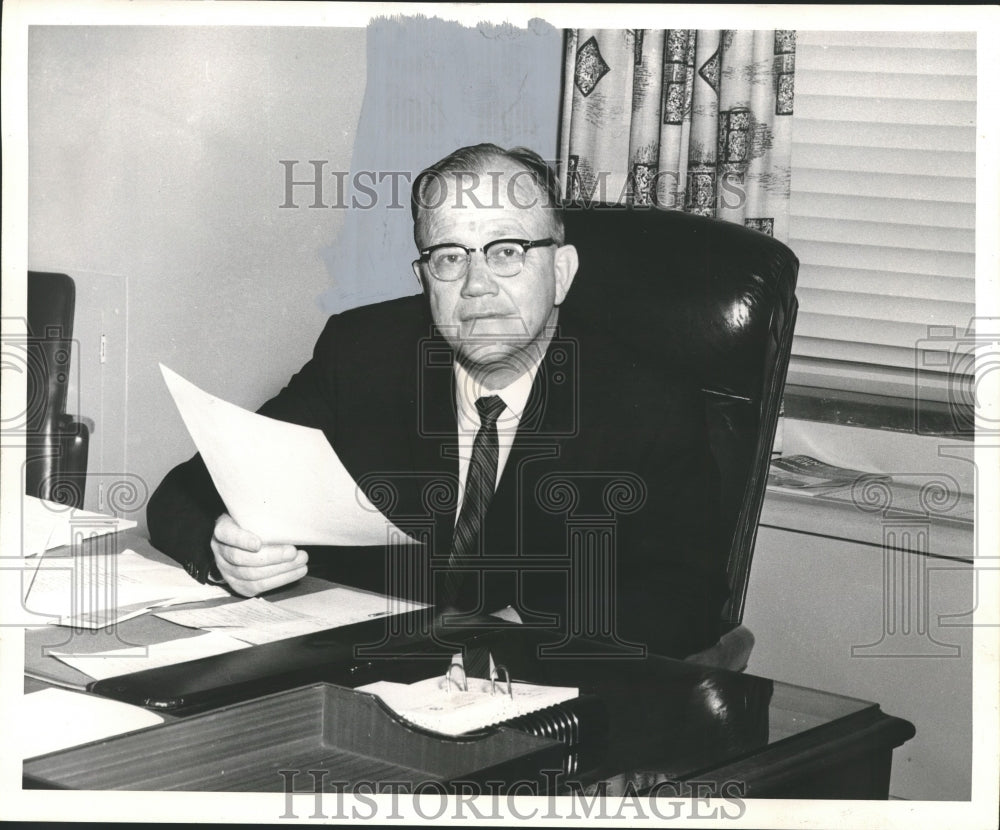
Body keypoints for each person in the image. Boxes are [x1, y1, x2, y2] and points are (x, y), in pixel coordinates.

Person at [147, 144, 728, 658]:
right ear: (425, 277)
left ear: (562, 271)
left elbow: (687, 594)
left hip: (533, 702)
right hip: (356, 678)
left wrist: (522, 630)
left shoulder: (646, 401)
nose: (476, 285)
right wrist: (222, 548)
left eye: (506, 251)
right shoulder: (363, 353)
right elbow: (187, 491)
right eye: (450, 257)